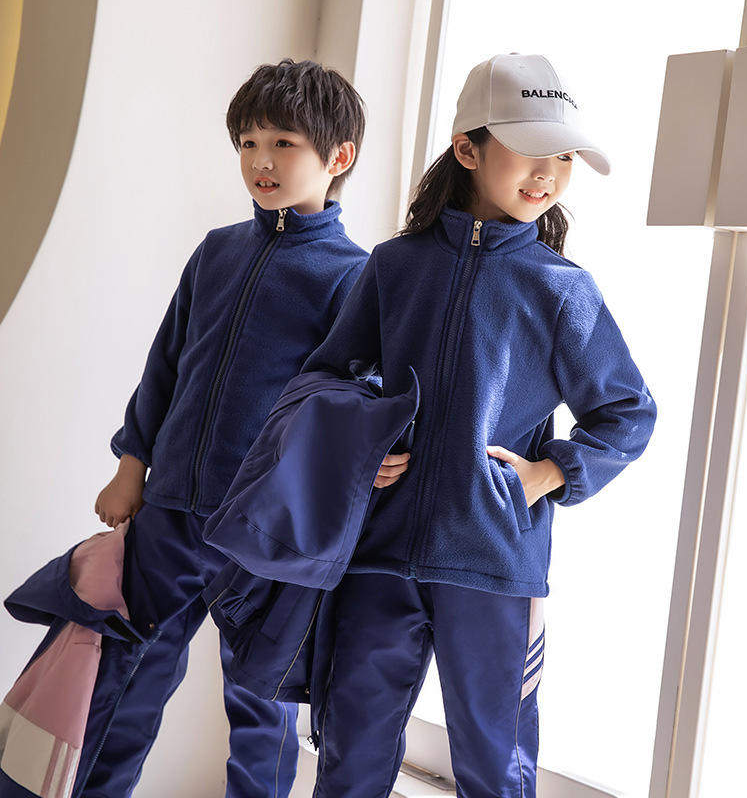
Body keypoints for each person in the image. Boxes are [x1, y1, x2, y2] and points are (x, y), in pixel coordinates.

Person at [299, 53, 658, 796]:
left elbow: (627, 410)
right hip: (377, 554)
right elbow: (326, 378)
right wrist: (359, 446)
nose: (549, 172)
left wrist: (548, 474)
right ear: (468, 149)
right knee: (350, 751)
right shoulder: (394, 267)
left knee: (496, 765)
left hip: (495, 563)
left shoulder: (561, 289)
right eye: (531, 149)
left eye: (565, 157)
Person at [75, 58, 368, 798]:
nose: (261, 161)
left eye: (283, 144)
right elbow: (166, 365)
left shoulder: (353, 276)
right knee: (125, 679)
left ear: (339, 157)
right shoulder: (216, 251)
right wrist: (131, 466)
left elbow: (353, 402)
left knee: (261, 703)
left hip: (263, 532)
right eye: (248, 143)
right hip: (171, 511)